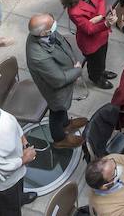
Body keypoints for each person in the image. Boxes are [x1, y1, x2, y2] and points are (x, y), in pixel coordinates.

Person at [25, 13, 87, 150]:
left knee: (62, 109)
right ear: (43, 33)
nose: (55, 25)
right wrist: (77, 70)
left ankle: (66, 124)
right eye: (51, 24)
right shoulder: (38, 56)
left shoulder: (44, 34)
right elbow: (58, 79)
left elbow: (61, 43)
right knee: (57, 110)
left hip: (64, 75)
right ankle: (59, 139)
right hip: (55, 89)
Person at [61, 0, 116, 88]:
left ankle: (101, 71)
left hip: (102, 34)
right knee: (95, 62)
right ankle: (96, 78)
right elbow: (89, 30)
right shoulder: (74, 11)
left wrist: (100, 16)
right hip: (91, 42)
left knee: (102, 57)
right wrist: (106, 24)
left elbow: (101, 0)